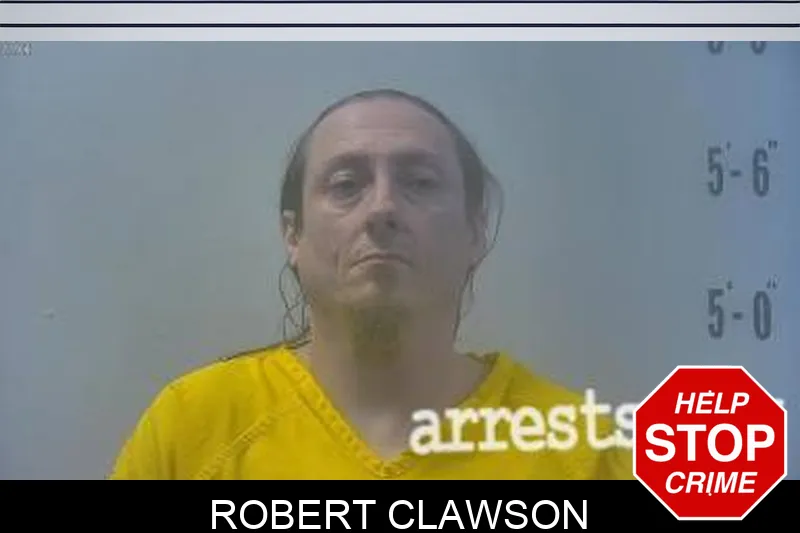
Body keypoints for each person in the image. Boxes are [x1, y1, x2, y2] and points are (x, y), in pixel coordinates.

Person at [110, 88, 633, 480]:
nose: (382, 208)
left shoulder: (585, 451)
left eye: (420, 182)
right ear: (293, 235)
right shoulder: (192, 427)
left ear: (475, 232)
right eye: (346, 185)